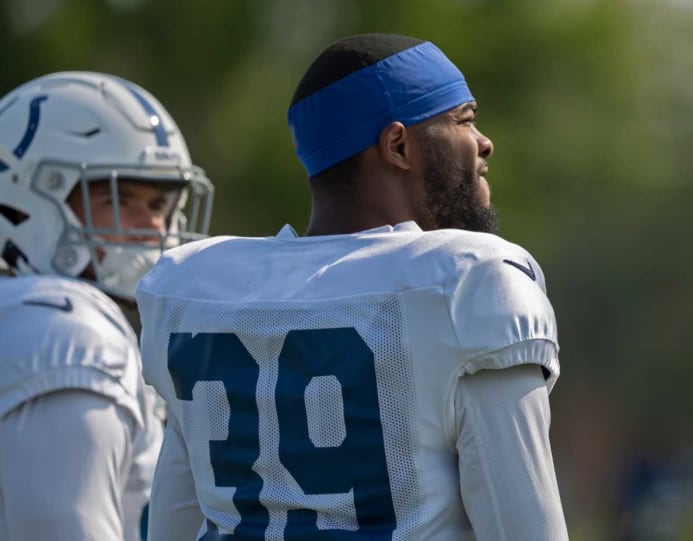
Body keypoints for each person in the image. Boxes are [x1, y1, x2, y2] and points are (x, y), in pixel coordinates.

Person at [137, 33, 569, 540]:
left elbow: (171, 527)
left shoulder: (196, 292)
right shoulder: (466, 283)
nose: (483, 141)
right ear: (398, 146)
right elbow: (524, 528)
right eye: (464, 119)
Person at [0, 71, 214, 541]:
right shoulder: (63, 328)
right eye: (119, 200)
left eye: (159, 203)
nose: (155, 228)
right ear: (22, 205)